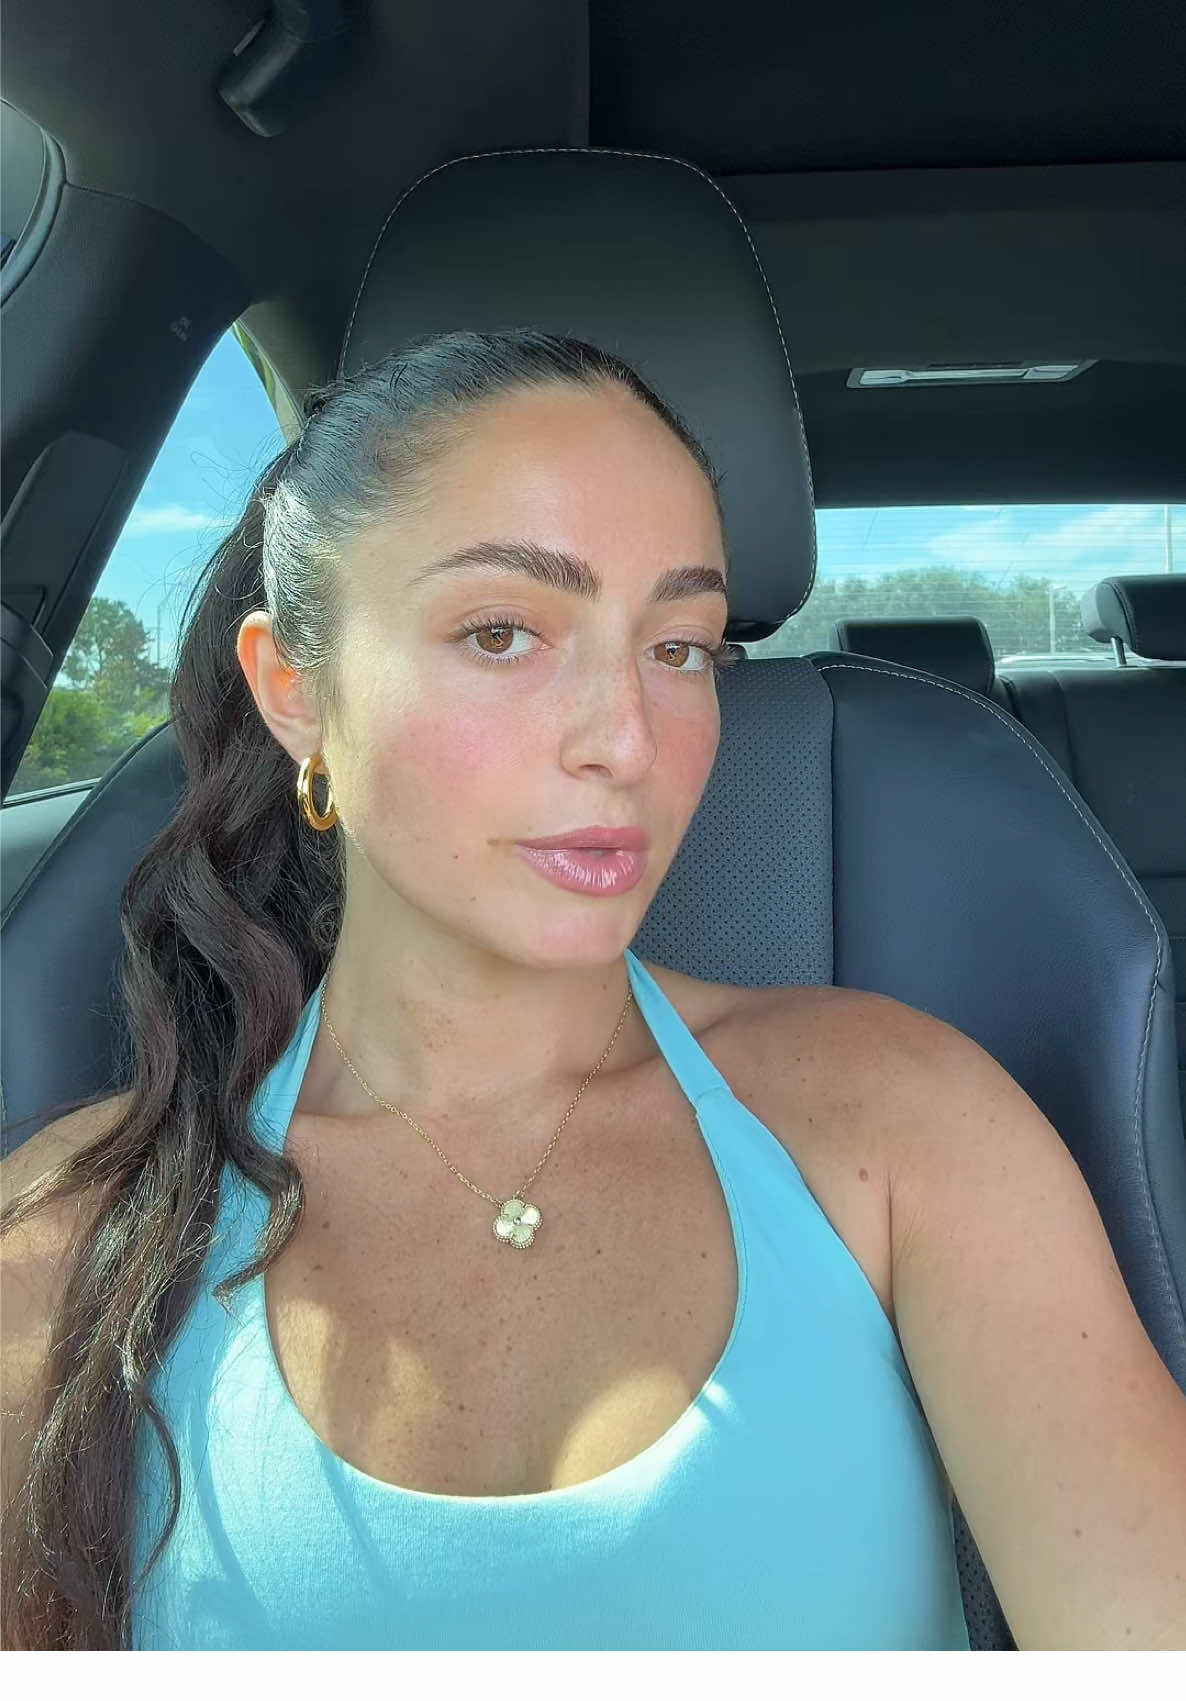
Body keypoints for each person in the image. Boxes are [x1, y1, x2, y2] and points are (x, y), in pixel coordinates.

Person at [0, 329, 975, 1649]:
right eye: (502, 632)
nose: (627, 739)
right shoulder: (67, 1240)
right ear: (295, 689)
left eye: (681, 647)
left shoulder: (899, 1121)